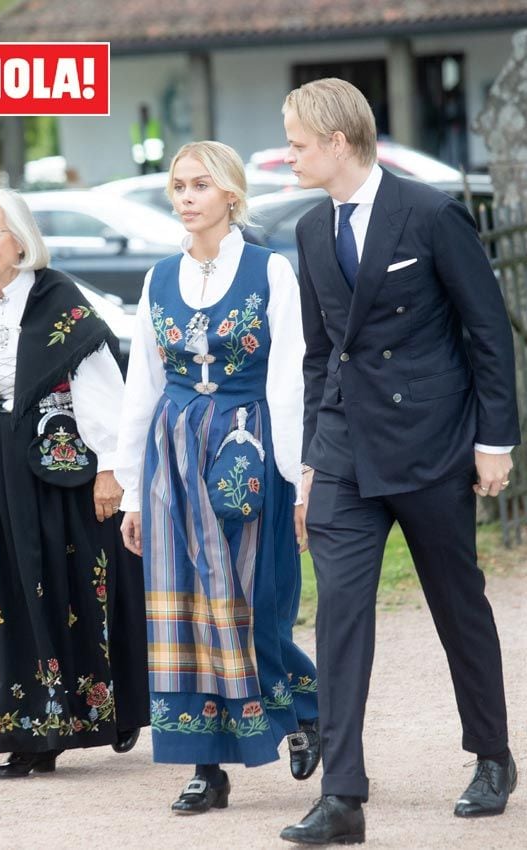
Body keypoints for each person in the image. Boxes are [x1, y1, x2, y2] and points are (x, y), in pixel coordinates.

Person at [279, 78, 521, 846]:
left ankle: (490, 754)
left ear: (338, 142)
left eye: (296, 143)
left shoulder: (428, 211)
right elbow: (322, 358)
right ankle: (341, 797)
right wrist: (314, 460)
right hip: (346, 451)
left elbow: (486, 330)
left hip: (431, 443)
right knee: (341, 615)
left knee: (457, 605)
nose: (287, 156)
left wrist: (494, 441)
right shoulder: (311, 232)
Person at [114, 141, 320, 814]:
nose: (185, 197)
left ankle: (305, 709)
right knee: (183, 608)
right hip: (173, 454)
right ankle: (203, 763)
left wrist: (297, 475)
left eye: (200, 184)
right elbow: (141, 383)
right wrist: (128, 483)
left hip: (248, 449)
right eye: (177, 186)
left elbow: (289, 379)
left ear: (231, 193)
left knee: (252, 603)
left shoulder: (270, 273)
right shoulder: (157, 279)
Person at [0, 187, 149, 777]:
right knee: (10, 592)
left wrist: (111, 468)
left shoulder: (59, 297)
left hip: (65, 462)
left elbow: (103, 384)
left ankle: (112, 708)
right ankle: (30, 730)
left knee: (80, 583)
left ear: (21, 240)